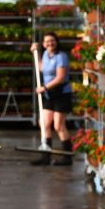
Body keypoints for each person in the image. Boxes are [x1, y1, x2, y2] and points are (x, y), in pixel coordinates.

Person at [30, 32, 73, 166]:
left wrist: (44, 88)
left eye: (52, 41)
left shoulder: (61, 56)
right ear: (43, 44)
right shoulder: (45, 55)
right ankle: (45, 157)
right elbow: (42, 68)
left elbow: (60, 78)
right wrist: (35, 53)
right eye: (47, 41)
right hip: (49, 95)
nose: (50, 43)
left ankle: (67, 157)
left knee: (58, 126)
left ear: (56, 42)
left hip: (61, 94)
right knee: (44, 123)